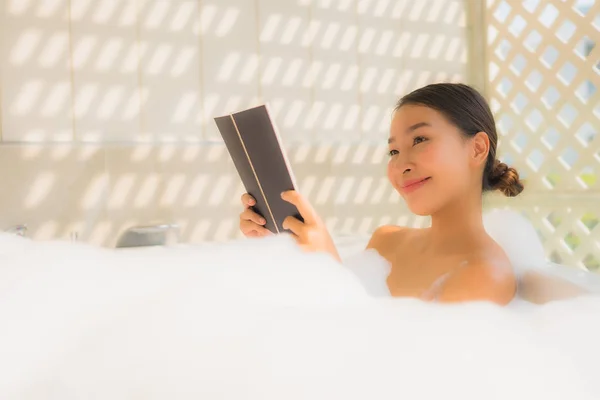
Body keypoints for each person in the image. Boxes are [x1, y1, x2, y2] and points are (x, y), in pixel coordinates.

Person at [238, 83, 524, 306]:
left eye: (420, 139)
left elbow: (405, 373)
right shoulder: (386, 242)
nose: (400, 165)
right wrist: (281, 248)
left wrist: (329, 270)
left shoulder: (484, 274)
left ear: (477, 148)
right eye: (394, 151)